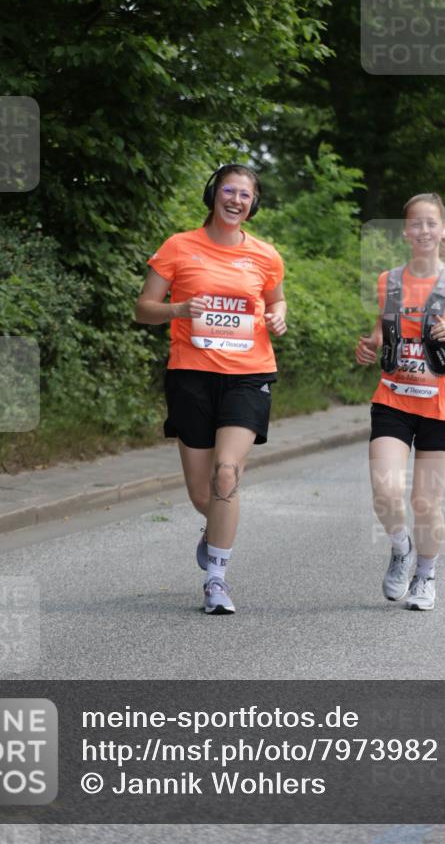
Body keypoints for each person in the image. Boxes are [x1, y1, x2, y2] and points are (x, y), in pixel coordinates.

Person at [134, 164, 287, 615]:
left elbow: (276, 301)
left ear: (253, 204)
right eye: (228, 191)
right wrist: (178, 308)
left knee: (226, 473)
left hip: (249, 373)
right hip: (191, 375)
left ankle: (216, 580)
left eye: (245, 194)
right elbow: (144, 309)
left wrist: (280, 316)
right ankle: (216, 526)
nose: (236, 200)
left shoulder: (265, 255)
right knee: (203, 495)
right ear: (213, 195)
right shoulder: (179, 247)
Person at [356, 193, 445, 611]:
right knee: (384, 491)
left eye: (431, 223)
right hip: (393, 399)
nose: (423, 230)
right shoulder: (388, 282)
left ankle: (425, 574)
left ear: (444, 231)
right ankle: (401, 549)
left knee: (425, 503)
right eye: (415, 223)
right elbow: (384, 338)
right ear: (405, 231)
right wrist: (368, 349)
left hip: (441, 407)